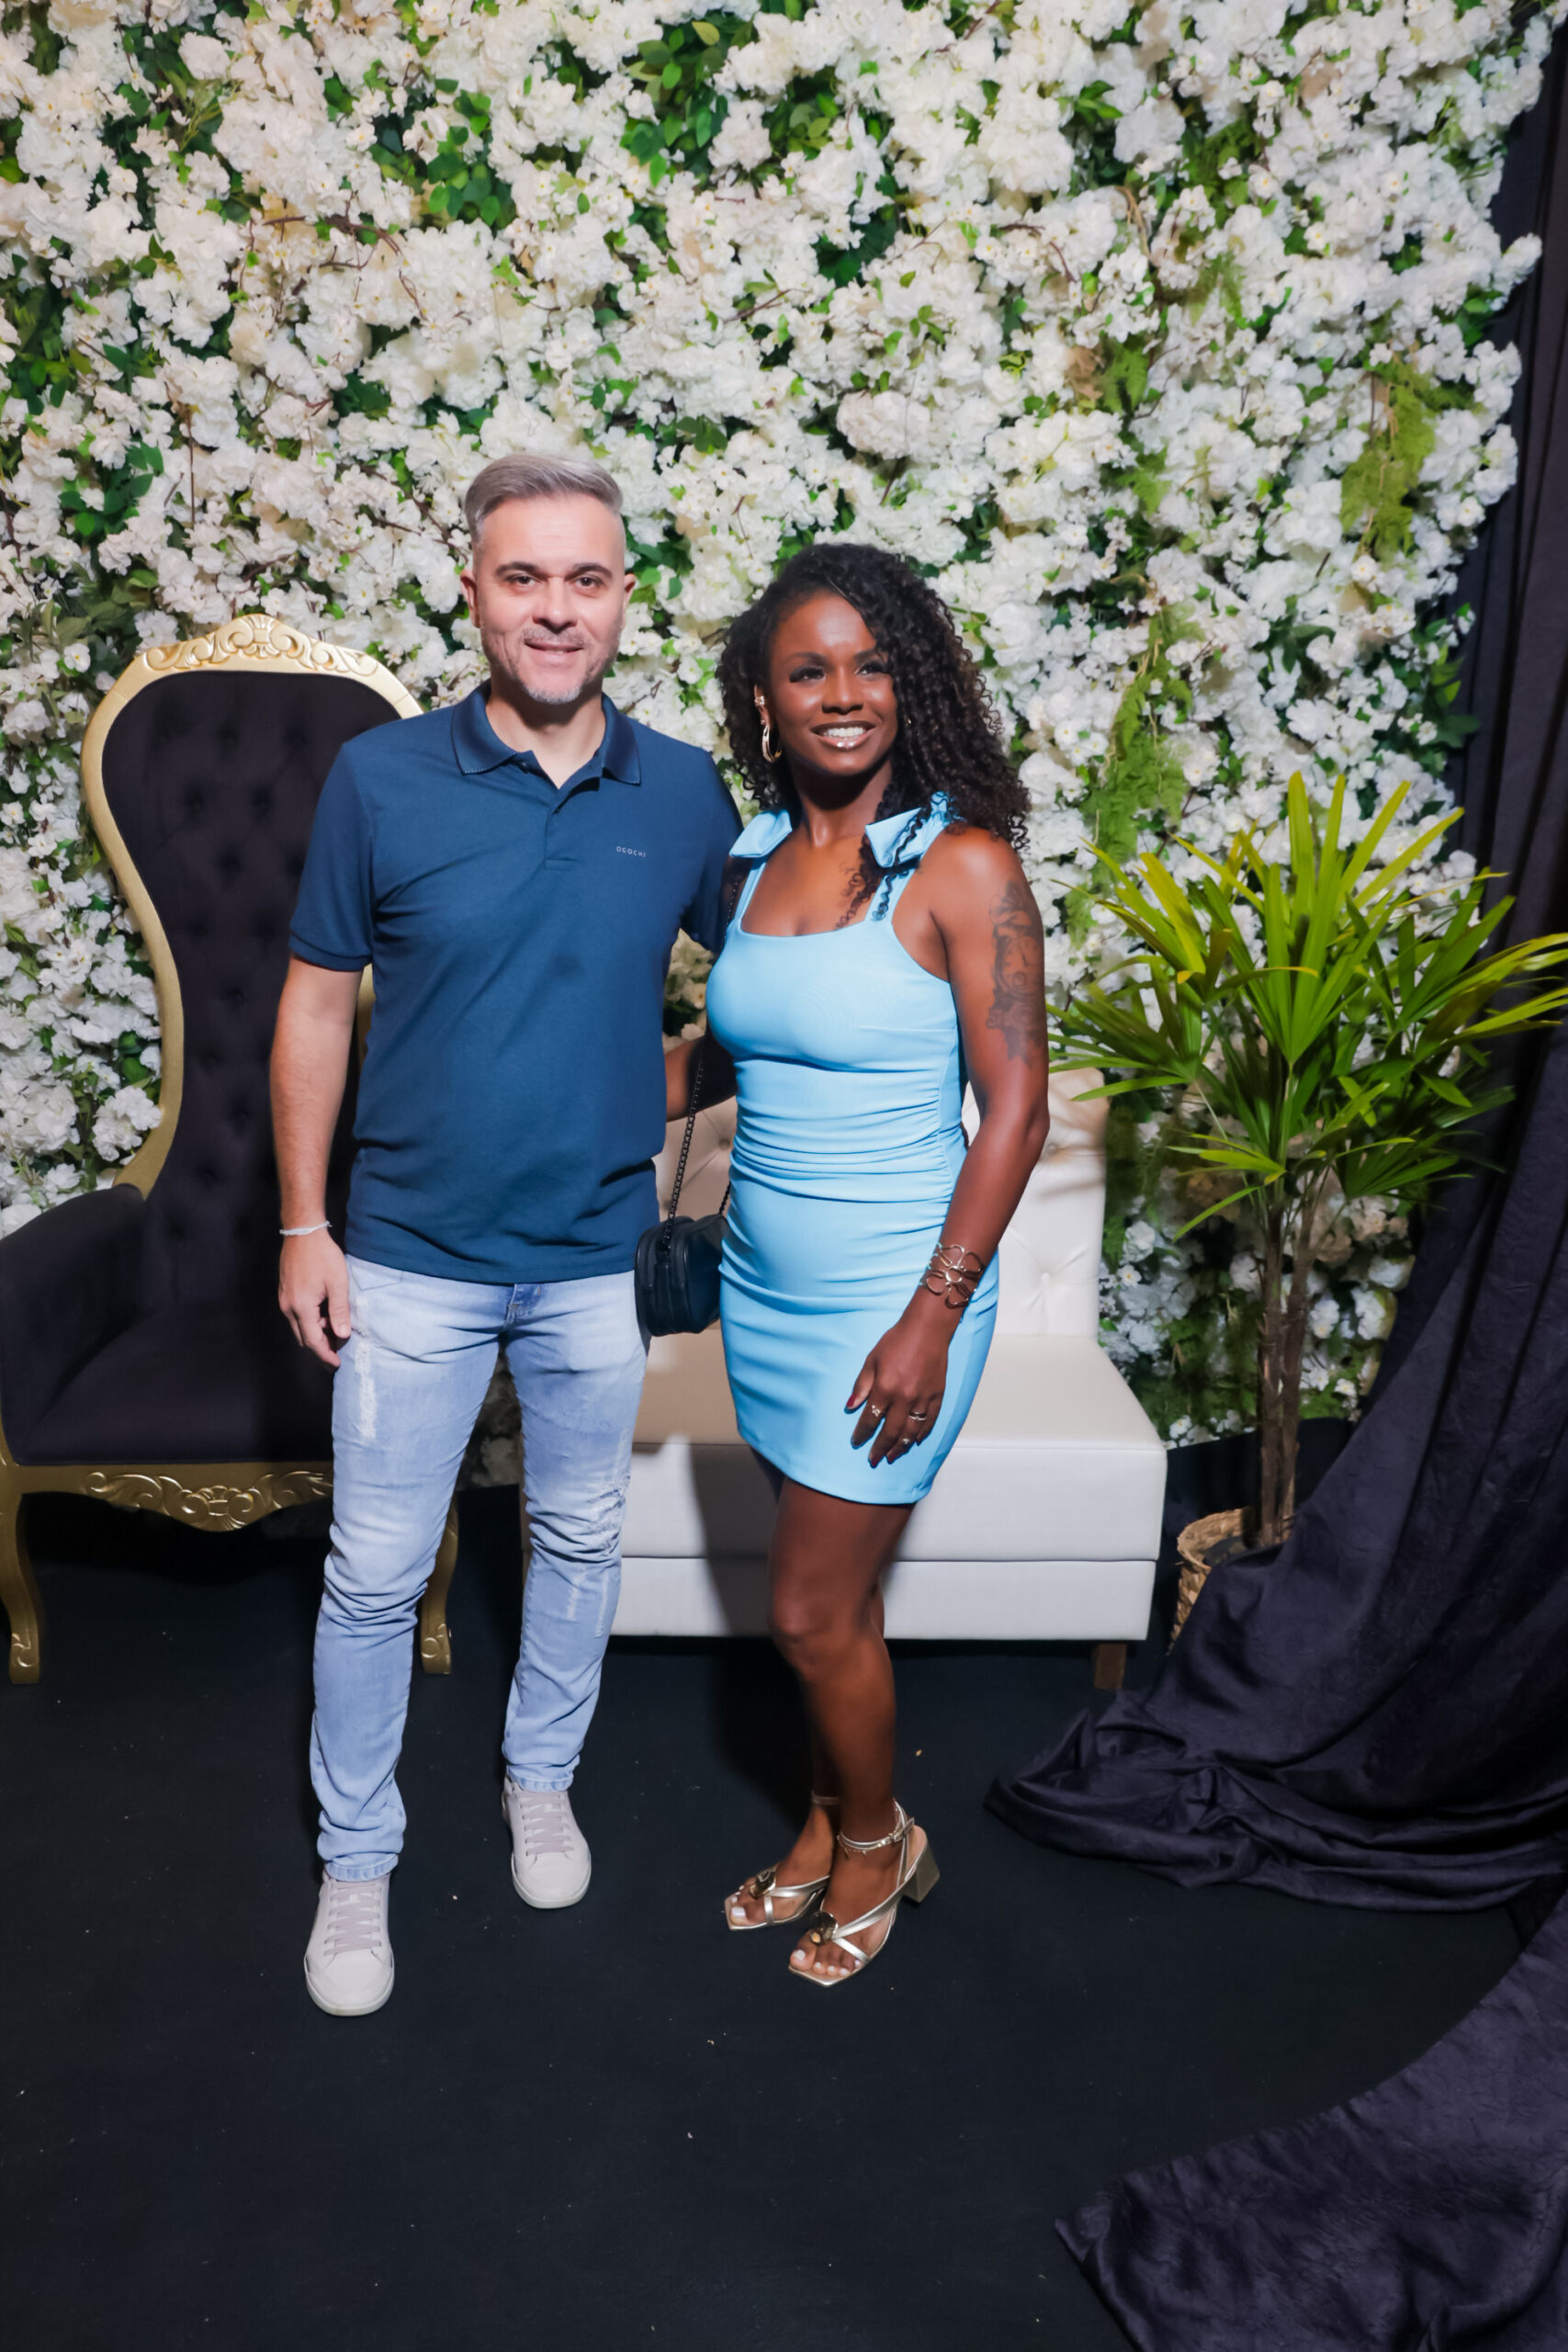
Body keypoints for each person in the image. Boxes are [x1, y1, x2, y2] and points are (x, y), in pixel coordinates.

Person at [272, 453, 739, 2016]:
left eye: (585, 579)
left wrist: (652, 1079)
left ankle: (542, 1782)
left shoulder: (684, 794)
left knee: (582, 1539)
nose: (555, 608)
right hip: (408, 1254)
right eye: (523, 577)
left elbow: (770, 986)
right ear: (473, 592)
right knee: (373, 1573)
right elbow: (314, 1006)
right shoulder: (381, 779)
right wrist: (302, 1221)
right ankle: (357, 1858)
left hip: (598, 1257)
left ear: (625, 600)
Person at [666, 541, 1052, 1986]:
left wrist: (931, 1318)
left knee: (805, 1612)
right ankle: (828, 1822)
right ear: (764, 704)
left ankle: (884, 1842)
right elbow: (744, 1050)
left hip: (896, 1299)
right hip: (762, 1289)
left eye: (872, 665)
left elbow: (1018, 1110)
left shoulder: (962, 865)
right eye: (808, 671)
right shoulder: (754, 859)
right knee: (844, 1607)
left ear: (913, 683)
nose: (843, 694)